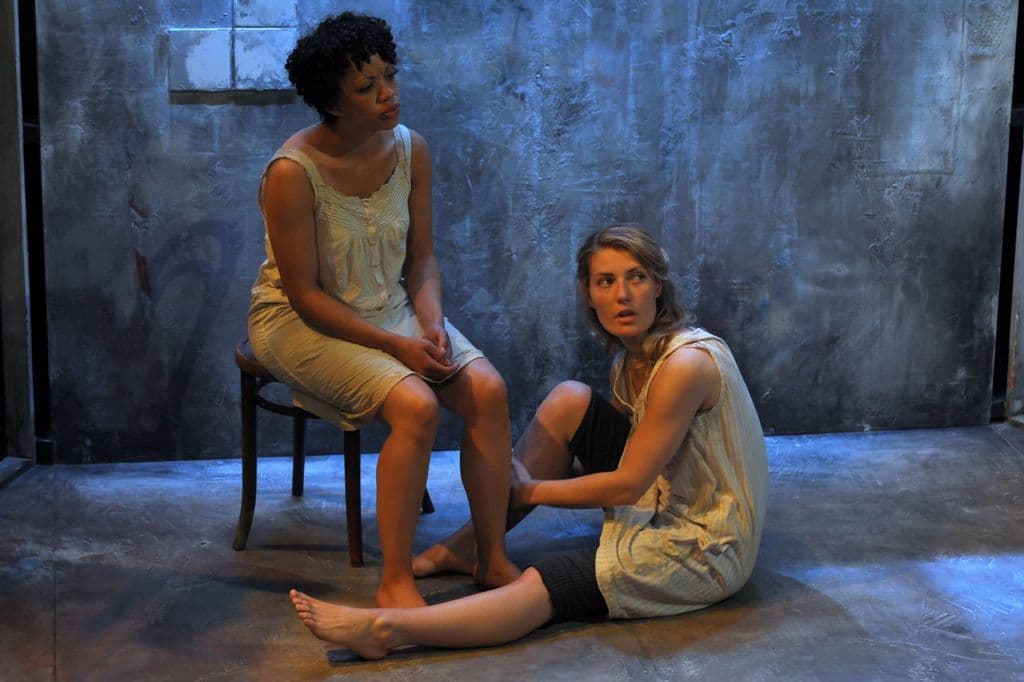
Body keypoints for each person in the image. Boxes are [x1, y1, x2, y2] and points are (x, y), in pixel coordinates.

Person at [289, 225, 770, 657]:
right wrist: (540, 473)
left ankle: (385, 630)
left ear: (658, 286)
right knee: (569, 400)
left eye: (637, 278)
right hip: (663, 495)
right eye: (605, 282)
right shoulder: (630, 361)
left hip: (704, 544)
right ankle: (474, 547)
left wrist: (530, 489)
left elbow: (627, 485)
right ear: (589, 295)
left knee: (548, 582)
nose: (622, 295)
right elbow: (635, 460)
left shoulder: (685, 365)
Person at [248, 12, 519, 609]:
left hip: (389, 304)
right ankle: (395, 580)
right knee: (416, 405)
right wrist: (397, 347)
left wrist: (430, 321)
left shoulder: (410, 150)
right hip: (299, 320)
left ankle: (490, 557)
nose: (388, 93)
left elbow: (422, 258)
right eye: (366, 86)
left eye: (390, 76)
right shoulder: (292, 174)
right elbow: (304, 295)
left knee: (488, 390)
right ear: (332, 101)